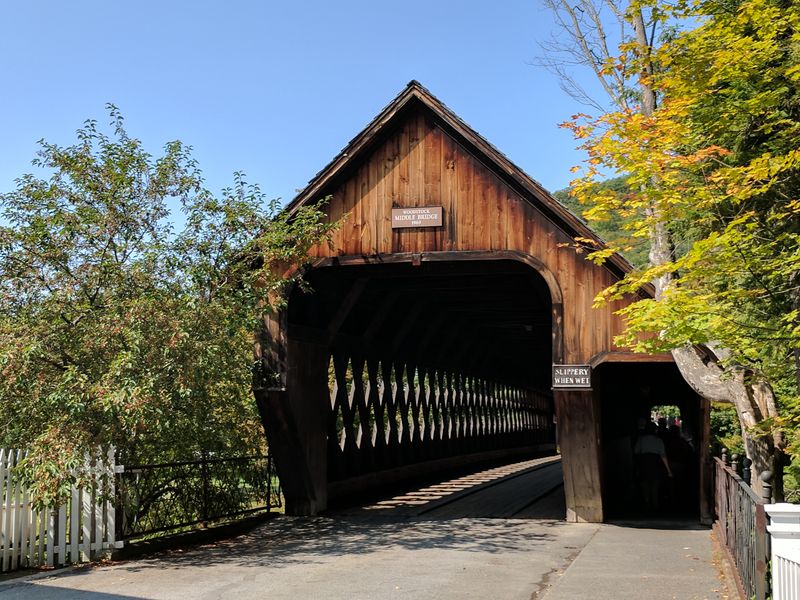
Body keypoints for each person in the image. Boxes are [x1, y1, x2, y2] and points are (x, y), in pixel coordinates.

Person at [633, 421, 673, 513]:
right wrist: (668, 470)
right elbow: (663, 456)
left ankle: (647, 503)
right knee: (655, 484)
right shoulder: (658, 440)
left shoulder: (641, 439)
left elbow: (636, 452)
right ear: (655, 430)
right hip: (655, 463)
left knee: (644, 484)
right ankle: (655, 505)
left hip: (644, 463)